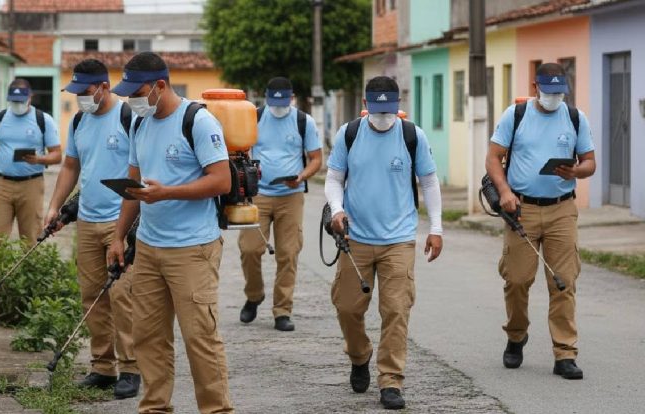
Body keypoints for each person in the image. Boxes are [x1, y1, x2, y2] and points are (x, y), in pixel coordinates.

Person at [108, 52, 234, 414]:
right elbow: (133, 186)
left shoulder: (198, 121)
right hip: (148, 247)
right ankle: (155, 408)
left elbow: (221, 180)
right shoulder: (138, 123)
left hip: (193, 249)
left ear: (160, 86)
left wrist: (167, 192)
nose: (131, 99)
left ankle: (217, 410)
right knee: (148, 337)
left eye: (137, 91)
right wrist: (119, 237)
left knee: (200, 339)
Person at [324, 76, 443, 410]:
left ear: (397, 105)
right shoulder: (348, 133)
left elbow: (429, 182)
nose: (382, 117)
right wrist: (337, 209)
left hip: (399, 240)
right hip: (355, 237)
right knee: (347, 307)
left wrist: (436, 228)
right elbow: (334, 179)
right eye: (376, 111)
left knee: (396, 310)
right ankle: (359, 356)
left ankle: (391, 381)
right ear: (366, 106)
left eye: (388, 110)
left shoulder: (411, 135)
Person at [486, 62, 595, 380]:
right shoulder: (515, 115)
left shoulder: (575, 117)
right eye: (549, 92)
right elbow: (493, 157)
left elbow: (590, 161)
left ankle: (565, 353)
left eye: (559, 92)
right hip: (522, 208)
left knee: (563, 282)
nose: (554, 97)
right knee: (517, 280)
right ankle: (516, 335)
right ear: (536, 88)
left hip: (562, 209)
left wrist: (577, 171)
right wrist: (505, 191)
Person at [46, 59, 140, 399]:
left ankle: (131, 369)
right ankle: (103, 367)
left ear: (103, 86)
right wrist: (56, 205)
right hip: (87, 221)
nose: (80, 98)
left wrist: (128, 228)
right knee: (92, 297)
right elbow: (70, 166)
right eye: (75, 92)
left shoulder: (130, 118)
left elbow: (140, 171)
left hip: (123, 223)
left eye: (84, 92)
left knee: (122, 296)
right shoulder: (80, 120)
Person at [237, 76, 322, 331]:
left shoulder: (303, 121)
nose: (278, 106)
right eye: (274, 101)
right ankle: (254, 295)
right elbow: (242, 150)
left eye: (283, 101)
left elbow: (316, 159)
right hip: (259, 195)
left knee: (288, 253)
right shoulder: (253, 117)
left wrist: (302, 176)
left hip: (290, 196)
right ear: (266, 97)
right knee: (249, 248)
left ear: (292, 98)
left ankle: (282, 310)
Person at [0, 79, 61, 246]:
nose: (17, 104)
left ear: (30, 97)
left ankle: (28, 270)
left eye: (21, 101)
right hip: (1, 183)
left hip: (31, 184)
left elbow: (57, 154)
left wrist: (39, 159)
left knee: (31, 237)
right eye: (13, 101)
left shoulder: (43, 120)